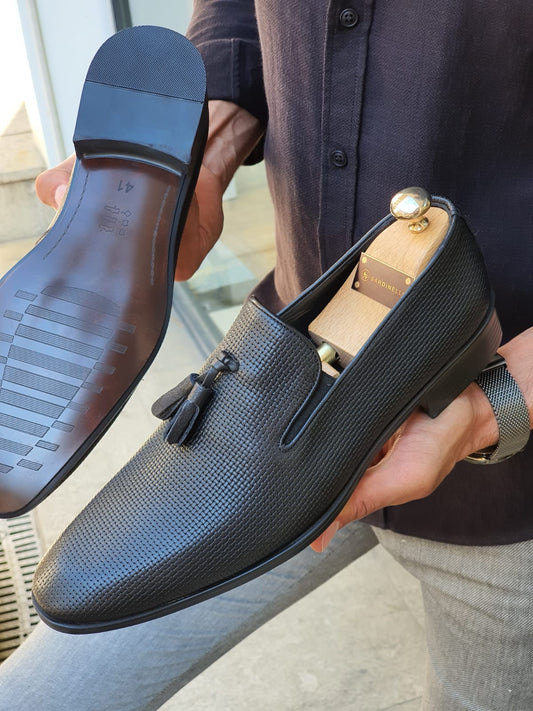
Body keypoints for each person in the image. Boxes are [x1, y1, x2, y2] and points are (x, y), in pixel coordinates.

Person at [1, 1, 533, 708]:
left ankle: (444, 315)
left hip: (507, 501)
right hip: (281, 394)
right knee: (38, 695)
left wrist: (492, 406)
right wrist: (208, 148)